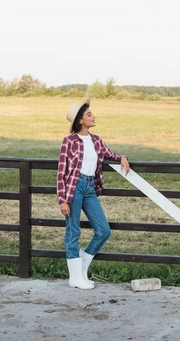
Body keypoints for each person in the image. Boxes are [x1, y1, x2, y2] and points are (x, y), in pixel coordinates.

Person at [57, 97, 130, 289]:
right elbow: (61, 172)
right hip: (74, 187)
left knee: (103, 230)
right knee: (73, 231)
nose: (93, 116)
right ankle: (74, 278)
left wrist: (122, 158)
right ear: (80, 120)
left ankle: (81, 270)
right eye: (89, 114)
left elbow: (110, 155)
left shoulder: (96, 140)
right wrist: (62, 200)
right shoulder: (69, 141)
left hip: (90, 188)